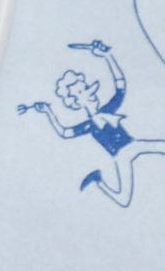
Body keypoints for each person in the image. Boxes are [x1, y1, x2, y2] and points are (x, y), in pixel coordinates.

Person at [18, 40, 165, 207]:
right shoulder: (89, 125)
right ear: (75, 103)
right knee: (123, 199)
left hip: (133, 145)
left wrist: (107, 56)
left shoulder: (108, 109)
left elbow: (120, 87)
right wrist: (48, 112)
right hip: (121, 155)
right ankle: (98, 180)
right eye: (82, 91)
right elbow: (64, 132)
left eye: (86, 87)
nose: (89, 91)